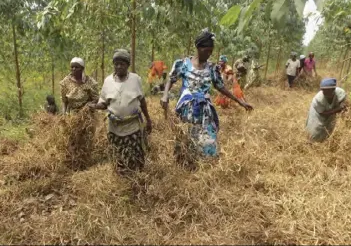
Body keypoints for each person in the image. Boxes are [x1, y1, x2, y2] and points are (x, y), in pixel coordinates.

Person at [160, 29, 253, 166]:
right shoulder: (183, 64)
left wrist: (240, 101)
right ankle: (186, 166)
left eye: (211, 51)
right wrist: (165, 94)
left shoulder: (212, 68)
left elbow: (220, 87)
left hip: (205, 111)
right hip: (187, 110)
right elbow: (171, 80)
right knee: (185, 139)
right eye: (207, 50)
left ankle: (204, 168)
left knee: (208, 141)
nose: (209, 54)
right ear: (198, 47)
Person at [90, 49, 152, 175]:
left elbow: (142, 101)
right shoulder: (108, 81)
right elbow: (104, 103)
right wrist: (94, 106)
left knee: (135, 156)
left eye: (122, 64)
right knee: (118, 156)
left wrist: (148, 119)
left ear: (128, 65)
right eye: (116, 64)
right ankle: (121, 179)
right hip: (115, 128)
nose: (118, 66)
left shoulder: (135, 79)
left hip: (133, 127)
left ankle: (136, 178)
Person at [305, 78, 347, 142]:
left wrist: (343, 107)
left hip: (331, 113)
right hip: (317, 114)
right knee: (314, 131)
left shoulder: (340, 93)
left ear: (333, 89)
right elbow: (322, 113)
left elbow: (343, 101)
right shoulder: (318, 99)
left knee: (328, 129)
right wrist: (337, 109)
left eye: (327, 90)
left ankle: (323, 141)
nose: (324, 92)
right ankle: (311, 143)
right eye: (323, 90)